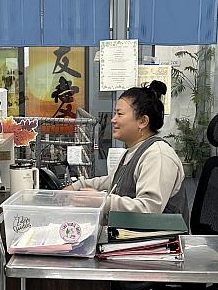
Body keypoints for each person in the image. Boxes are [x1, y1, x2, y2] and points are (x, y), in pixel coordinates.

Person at [65, 81, 188, 222]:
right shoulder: (133, 151)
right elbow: (113, 181)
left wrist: (102, 201)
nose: (113, 120)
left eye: (120, 114)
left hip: (155, 240)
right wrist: (77, 187)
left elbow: (149, 210)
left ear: (143, 121)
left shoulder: (157, 155)